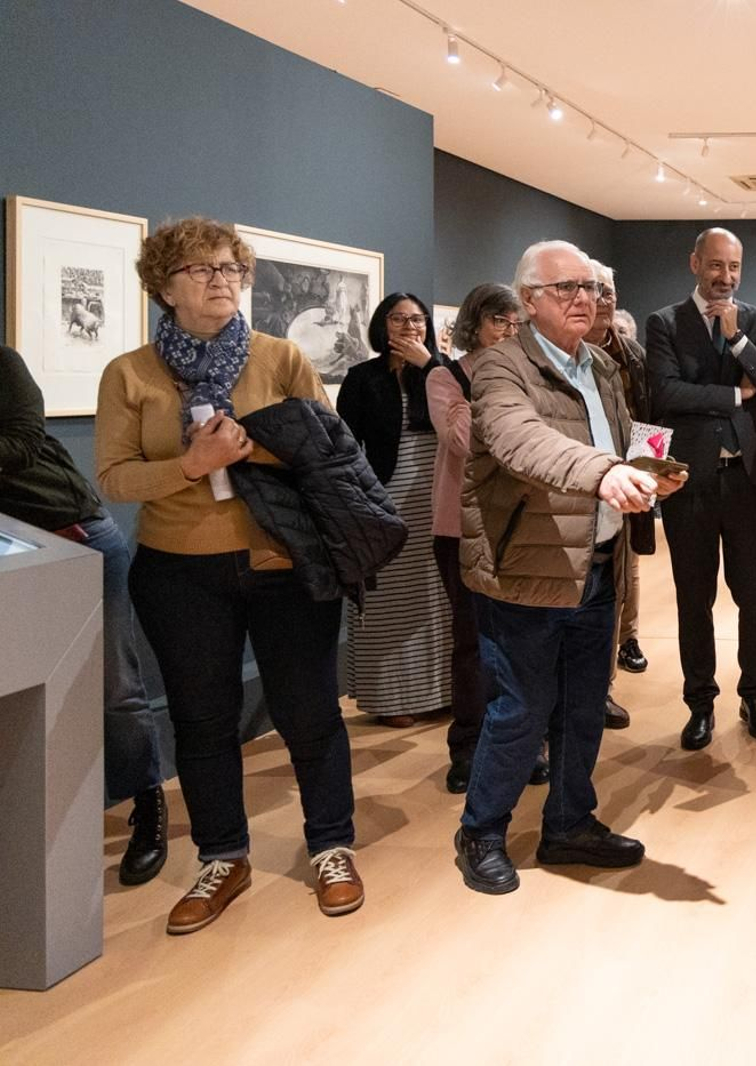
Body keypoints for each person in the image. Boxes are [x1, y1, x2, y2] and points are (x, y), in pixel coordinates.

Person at [96, 216, 362, 933]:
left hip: (282, 564)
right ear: (164, 286)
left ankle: (332, 845)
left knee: (308, 711)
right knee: (202, 719)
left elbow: (329, 452)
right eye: (202, 270)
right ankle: (223, 855)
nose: (221, 281)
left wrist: (254, 454)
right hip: (179, 573)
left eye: (230, 269)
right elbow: (114, 478)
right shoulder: (130, 373)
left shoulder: (278, 357)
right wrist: (190, 466)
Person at [452, 240, 686, 894]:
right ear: (528, 302)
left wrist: (647, 474)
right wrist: (605, 471)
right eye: (566, 288)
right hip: (528, 567)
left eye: (589, 286)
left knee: (583, 709)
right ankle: (481, 830)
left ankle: (568, 823)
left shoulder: (602, 368)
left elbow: (618, 443)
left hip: (597, 563)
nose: (584, 298)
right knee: (520, 711)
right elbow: (519, 440)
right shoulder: (500, 369)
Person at [1, 345, 167, 885]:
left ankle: (148, 806)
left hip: (73, 536)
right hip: (13, 556)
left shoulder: (3, 363)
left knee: (115, 687)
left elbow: (23, 445)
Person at [645, 227, 756, 750]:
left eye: (733, 267)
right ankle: (699, 703)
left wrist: (738, 340)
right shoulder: (664, 323)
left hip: (749, 482)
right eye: (715, 265)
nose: (725, 277)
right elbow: (664, 393)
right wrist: (733, 392)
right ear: (694, 263)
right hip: (689, 481)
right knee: (693, 596)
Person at [426, 283, 524, 794]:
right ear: (475, 324)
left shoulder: (524, 374)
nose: (508, 332)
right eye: (498, 322)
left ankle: (517, 744)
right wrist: (490, 382)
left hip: (517, 523)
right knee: (470, 640)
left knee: (517, 640)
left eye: (514, 323)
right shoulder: (446, 377)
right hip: (459, 525)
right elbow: (460, 441)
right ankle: (466, 746)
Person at [337, 293, 452, 727]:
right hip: (384, 494)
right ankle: (392, 697)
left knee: (436, 595)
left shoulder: (440, 373)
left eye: (417, 319)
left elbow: (463, 414)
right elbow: (344, 445)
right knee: (390, 598)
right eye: (399, 319)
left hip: (437, 490)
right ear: (382, 327)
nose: (410, 327)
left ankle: (441, 691)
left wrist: (429, 366)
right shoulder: (361, 378)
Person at [586, 262, 651, 701]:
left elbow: (648, 415)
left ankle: (602, 686)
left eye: (609, 291)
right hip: (578, 483)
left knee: (621, 579)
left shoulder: (633, 355)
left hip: (627, 483)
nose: (604, 300)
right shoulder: (561, 352)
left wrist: (649, 470)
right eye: (595, 291)